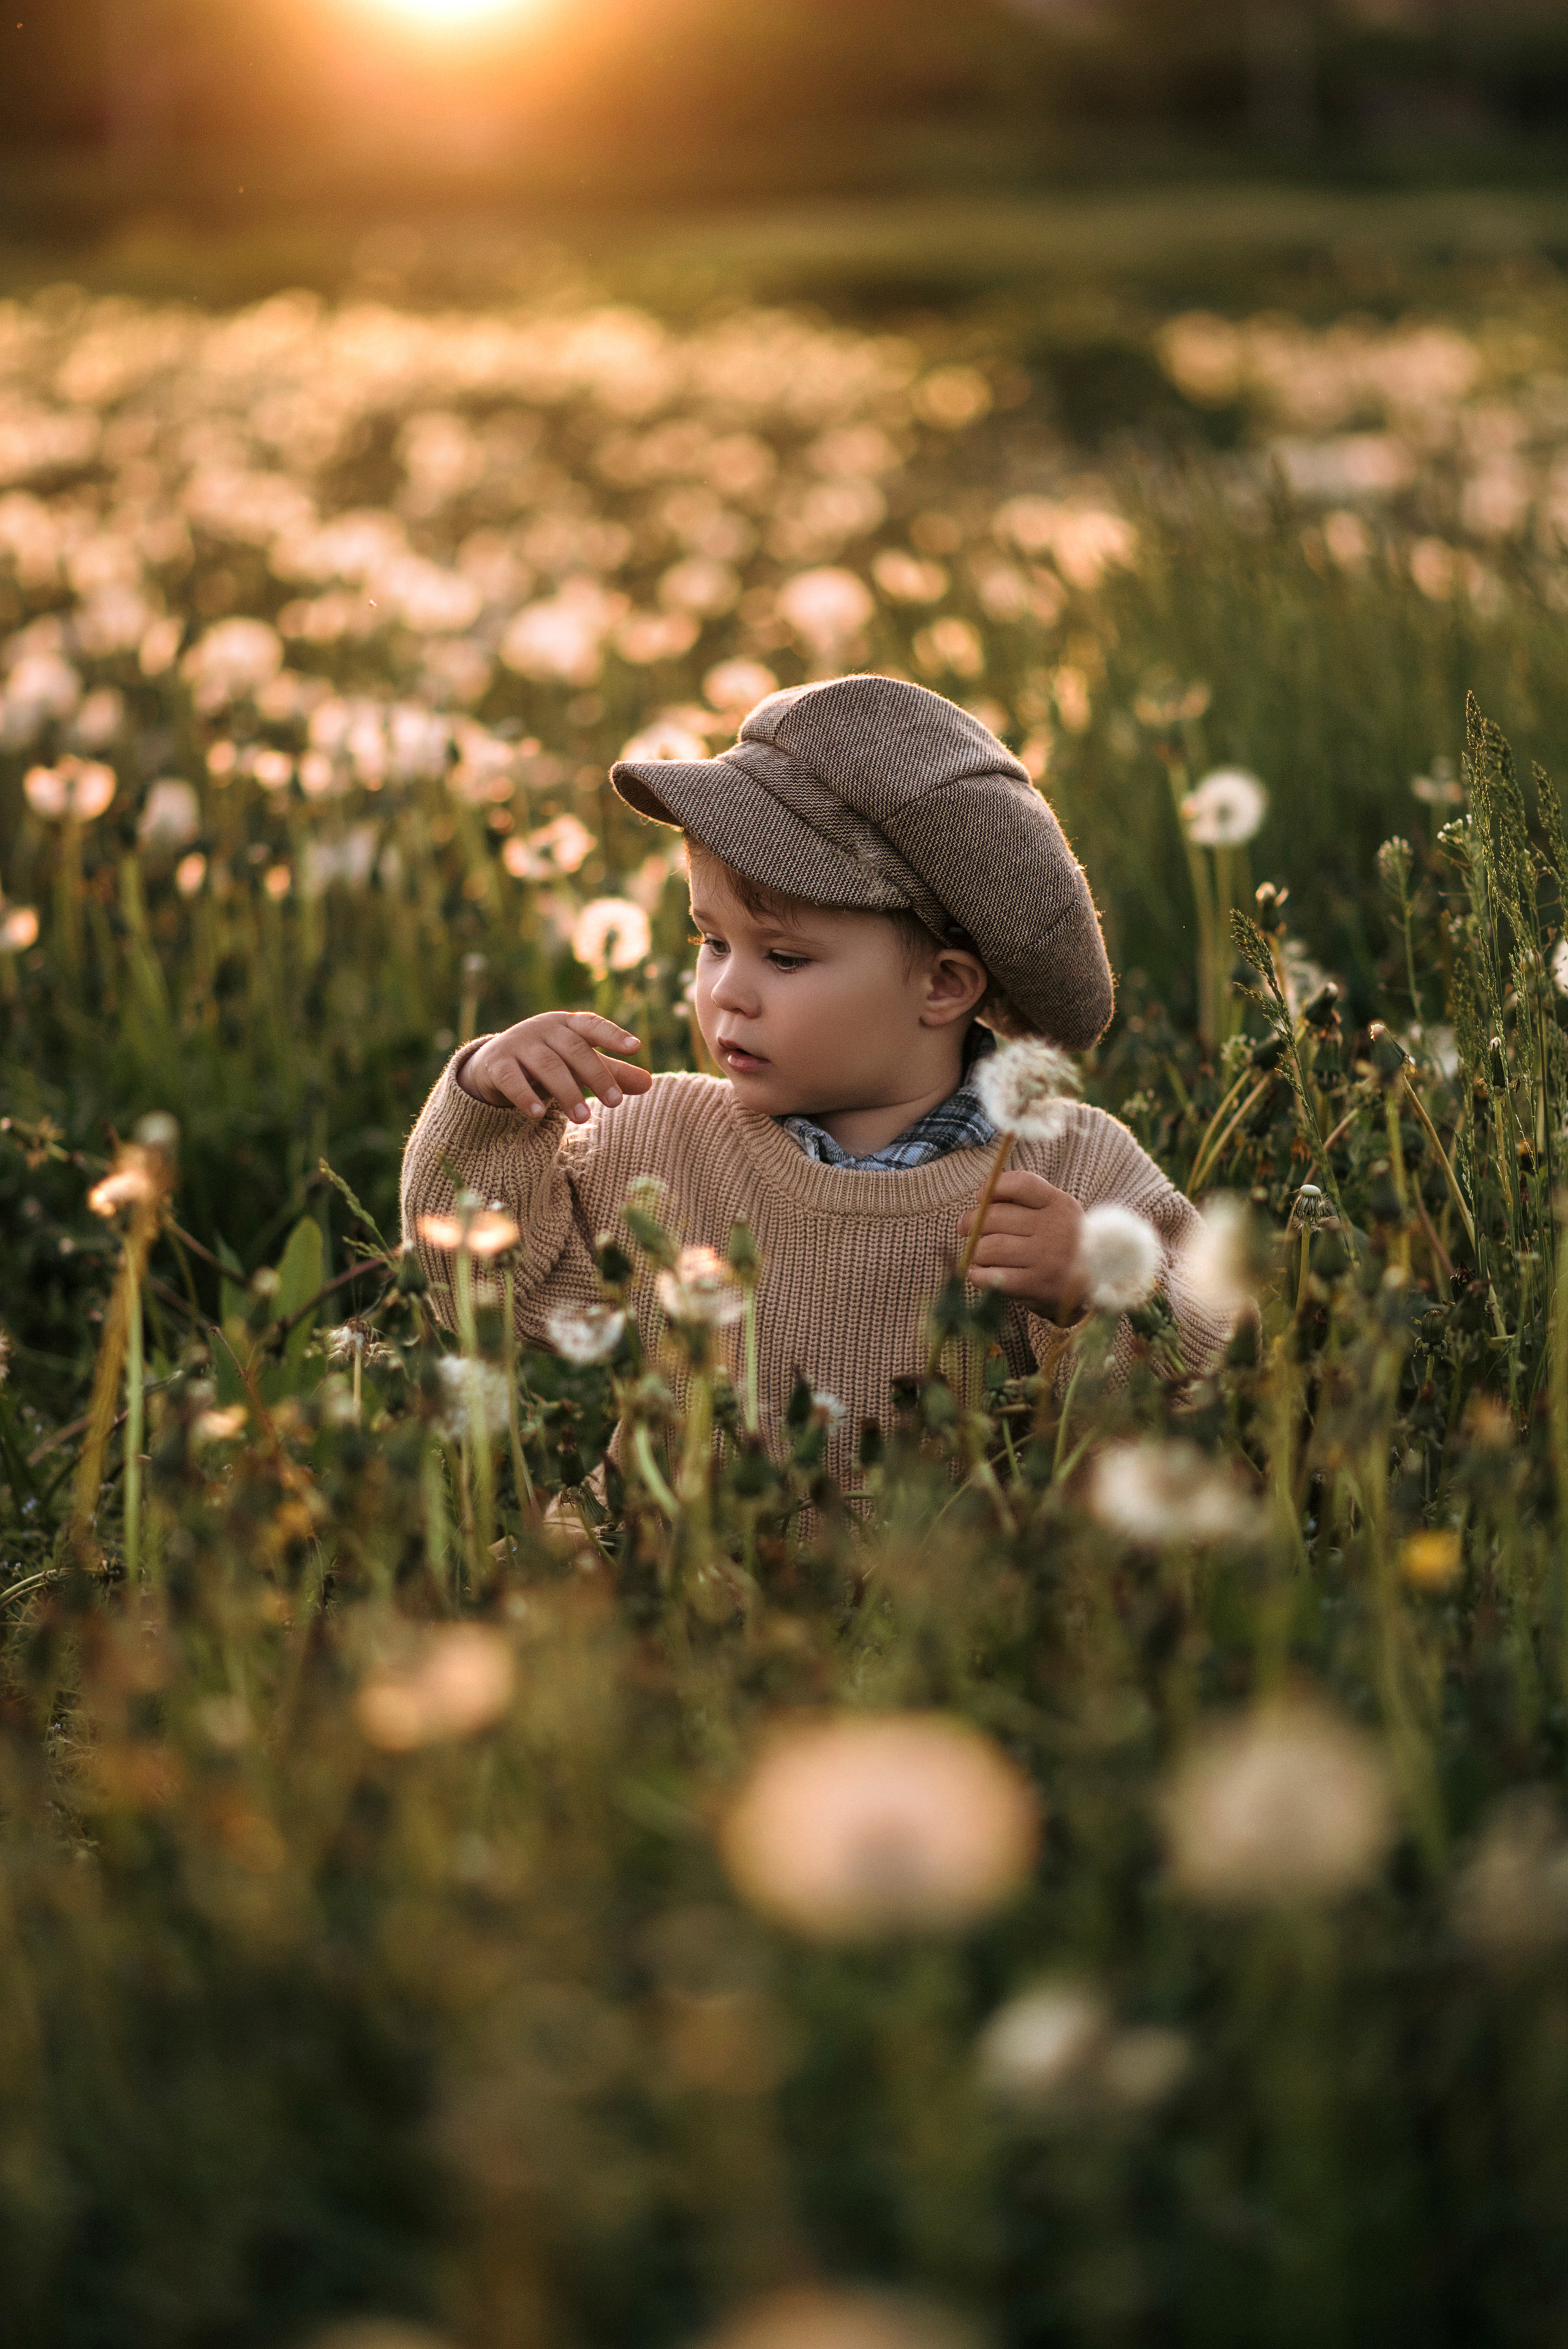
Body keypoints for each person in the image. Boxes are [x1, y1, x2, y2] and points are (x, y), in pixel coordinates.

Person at [401, 676, 1230, 1479]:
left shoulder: (1070, 1171)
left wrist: (1097, 1291)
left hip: (941, 1603)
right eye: (711, 943)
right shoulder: (654, 1140)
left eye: (785, 956)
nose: (726, 989)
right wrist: (490, 1104)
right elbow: (486, 1298)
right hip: (671, 1577)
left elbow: (1225, 1391)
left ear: (943, 985)